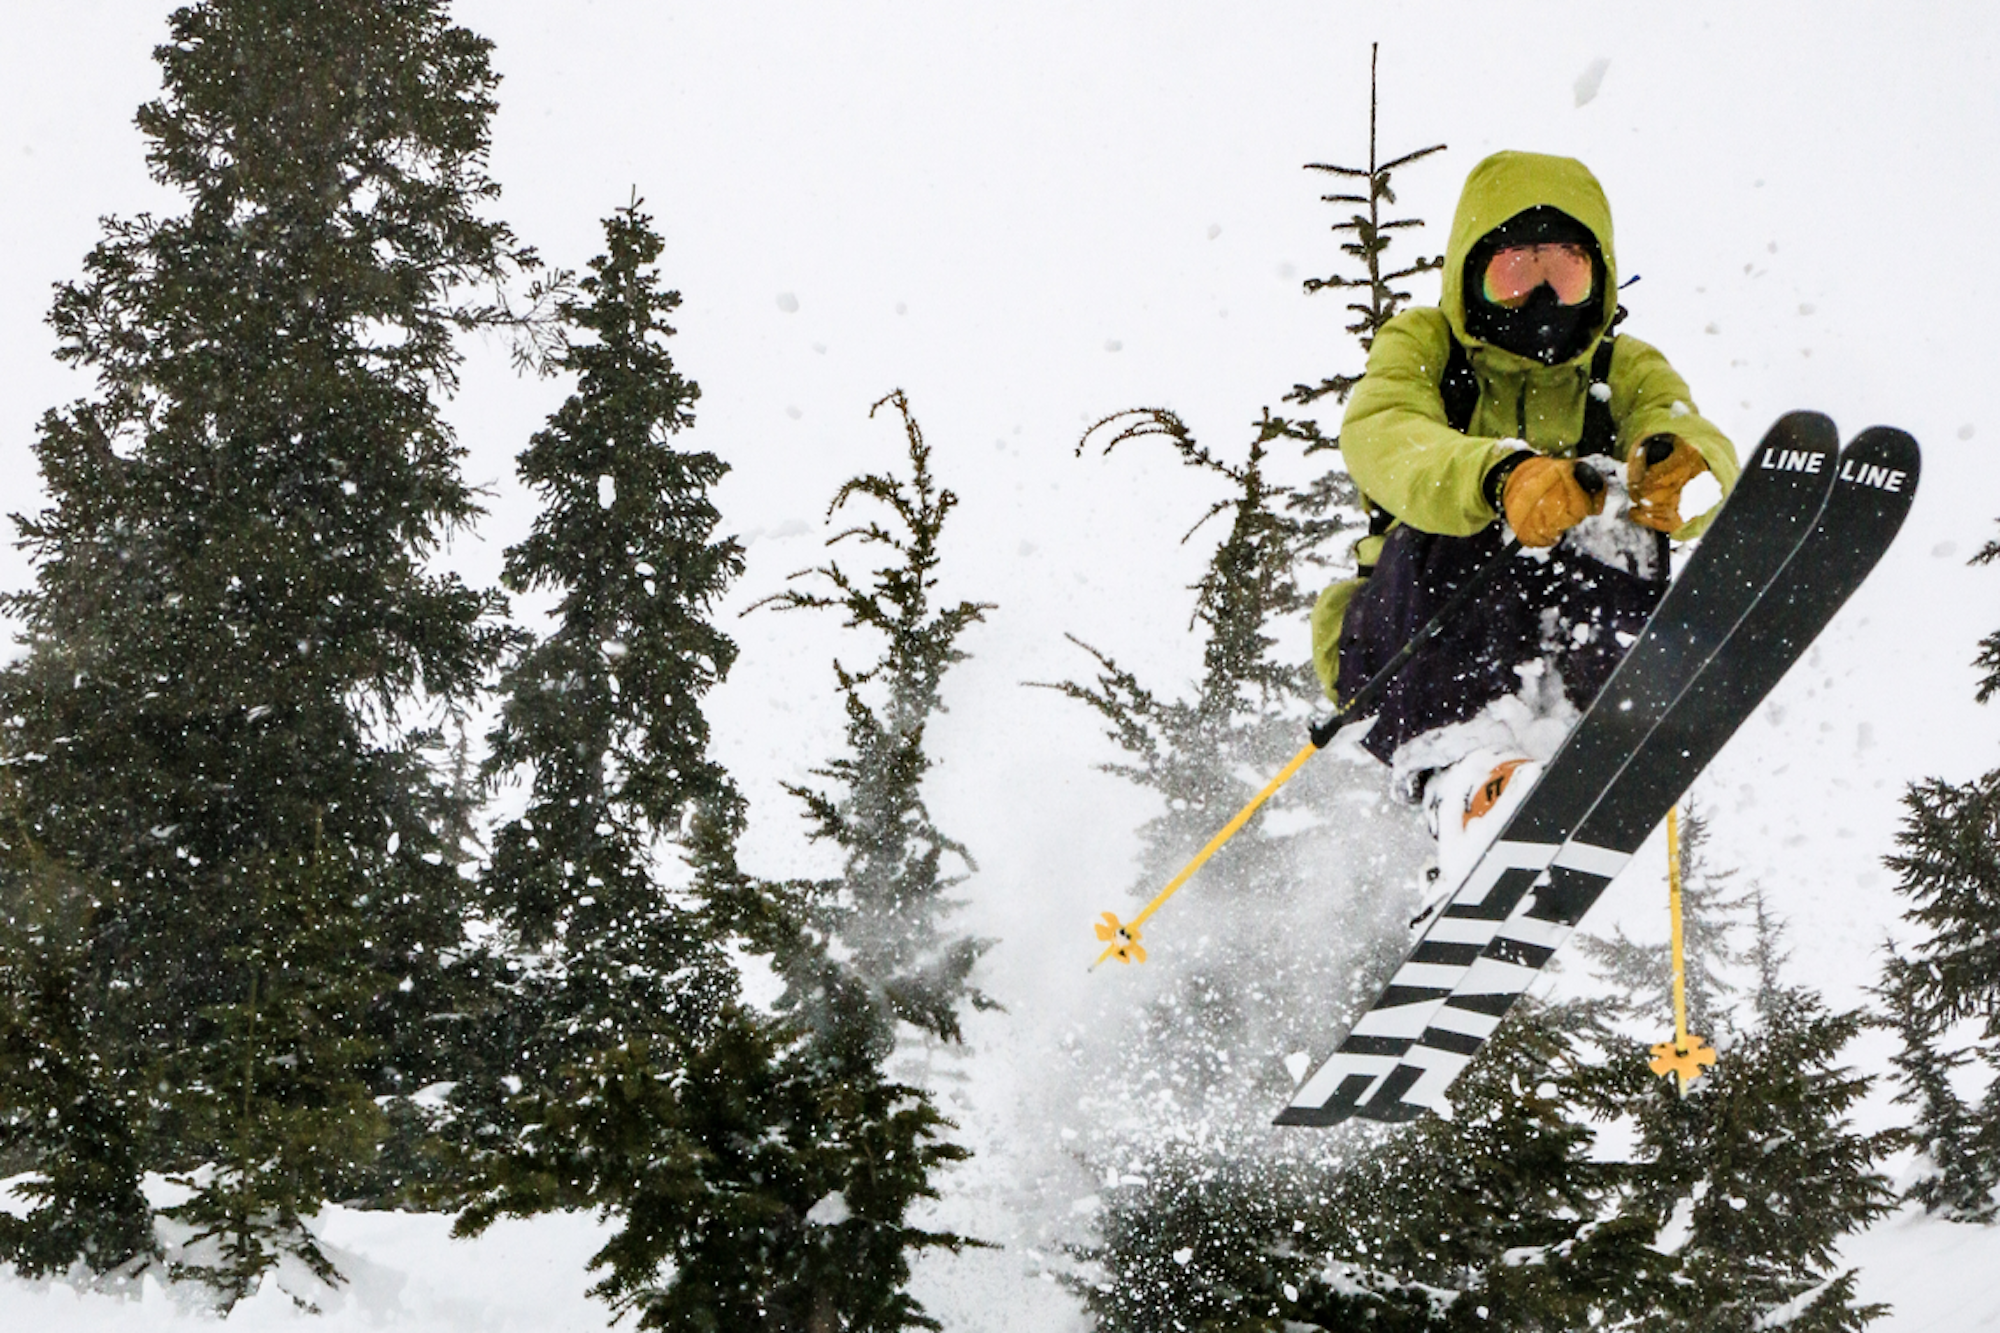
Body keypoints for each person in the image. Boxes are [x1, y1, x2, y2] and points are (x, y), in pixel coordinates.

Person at [1309, 150, 1739, 871]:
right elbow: (1384, 432)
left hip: (1570, 647)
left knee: (1615, 520)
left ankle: (1585, 750)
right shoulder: (1427, 346)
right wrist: (1499, 476)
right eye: (1515, 276)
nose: (1541, 302)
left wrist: (1679, 472)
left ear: (1597, 281)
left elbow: (1679, 423)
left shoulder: (1620, 366)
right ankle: (1467, 781)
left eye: (1563, 276)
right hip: (1401, 651)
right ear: (1471, 275)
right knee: (1476, 519)